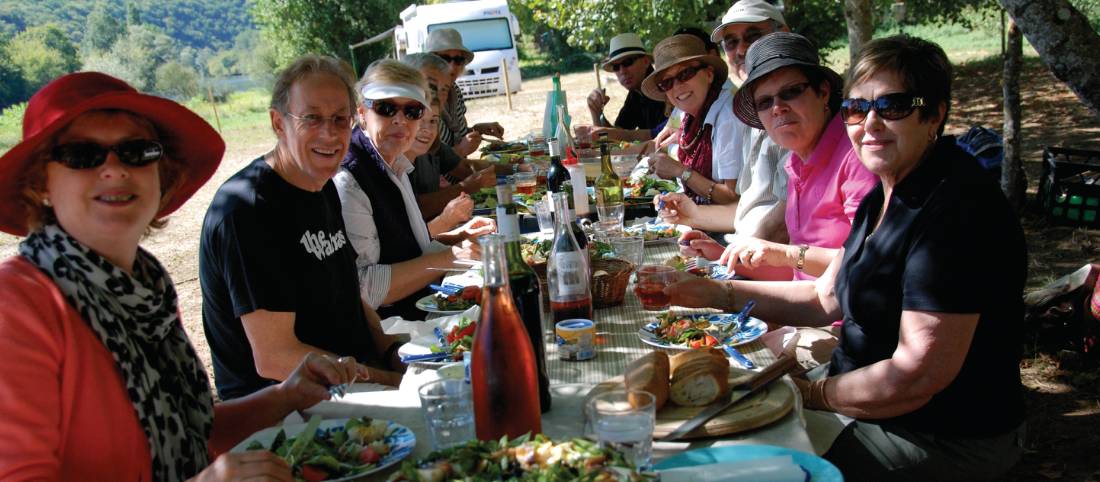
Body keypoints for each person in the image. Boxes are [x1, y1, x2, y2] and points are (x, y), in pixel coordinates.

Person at [668, 35, 1027, 480]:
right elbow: (825, 299)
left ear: (934, 113)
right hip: (864, 397)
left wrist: (811, 393)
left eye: (892, 106)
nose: (869, 124)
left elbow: (916, 376)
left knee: (746, 466)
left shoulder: (955, 211)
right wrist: (713, 291)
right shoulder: (887, 190)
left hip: (940, 433)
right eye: (857, 109)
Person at [0, 71, 360, 480]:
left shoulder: (144, 287)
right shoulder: (18, 303)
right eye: (82, 155)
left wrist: (284, 397)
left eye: (137, 151)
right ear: (41, 183)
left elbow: (189, 431)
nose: (115, 169)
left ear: (161, 172)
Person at [200, 55, 405, 400]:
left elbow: (350, 293)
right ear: (278, 123)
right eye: (311, 118)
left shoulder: (320, 182)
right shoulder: (248, 211)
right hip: (288, 410)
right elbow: (274, 358)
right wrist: (387, 380)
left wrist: (392, 353)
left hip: (351, 379)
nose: (329, 133)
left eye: (340, 119)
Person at [673, 32, 877, 281]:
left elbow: (867, 264)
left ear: (823, 92)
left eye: (791, 92)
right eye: (765, 102)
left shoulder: (856, 155)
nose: (777, 107)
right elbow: (798, 275)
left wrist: (786, 254)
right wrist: (721, 255)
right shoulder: (795, 160)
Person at [334, 59, 493, 322]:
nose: (400, 120)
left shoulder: (395, 161)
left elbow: (411, 251)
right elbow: (367, 290)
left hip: (421, 312)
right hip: (393, 334)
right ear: (362, 113)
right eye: (386, 108)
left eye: (412, 111)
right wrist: (451, 256)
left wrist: (457, 239)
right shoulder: (349, 179)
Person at [652, 1, 791, 241]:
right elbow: (746, 209)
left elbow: (783, 223)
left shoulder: (735, 113)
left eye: (753, 36)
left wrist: (733, 266)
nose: (741, 50)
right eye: (731, 42)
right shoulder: (750, 112)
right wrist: (689, 214)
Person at [399, 52, 504, 222]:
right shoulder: (395, 147)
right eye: (431, 87)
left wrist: (519, 169)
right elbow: (411, 210)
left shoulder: (431, 135)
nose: (438, 96)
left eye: (444, 90)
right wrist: (467, 187)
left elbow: (463, 167)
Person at [640, 34, 740, 206]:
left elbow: (732, 197)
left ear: (709, 74)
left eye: (685, 73)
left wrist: (679, 170)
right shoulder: (689, 118)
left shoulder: (727, 116)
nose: (677, 86)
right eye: (667, 82)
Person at [425, 28, 505, 158]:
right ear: (429, 61)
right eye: (444, 59)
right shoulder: (421, 98)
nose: (452, 66)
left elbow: (454, 137)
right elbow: (425, 162)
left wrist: (477, 129)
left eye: (458, 60)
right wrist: (460, 150)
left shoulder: (454, 91)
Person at [587, 32, 669, 142]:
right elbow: (617, 135)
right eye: (616, 67)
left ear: (646, 61)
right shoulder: (635, 94)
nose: (622, 71)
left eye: (628, 62)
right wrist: (597, 112)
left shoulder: (666, 88)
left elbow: (661, 137)